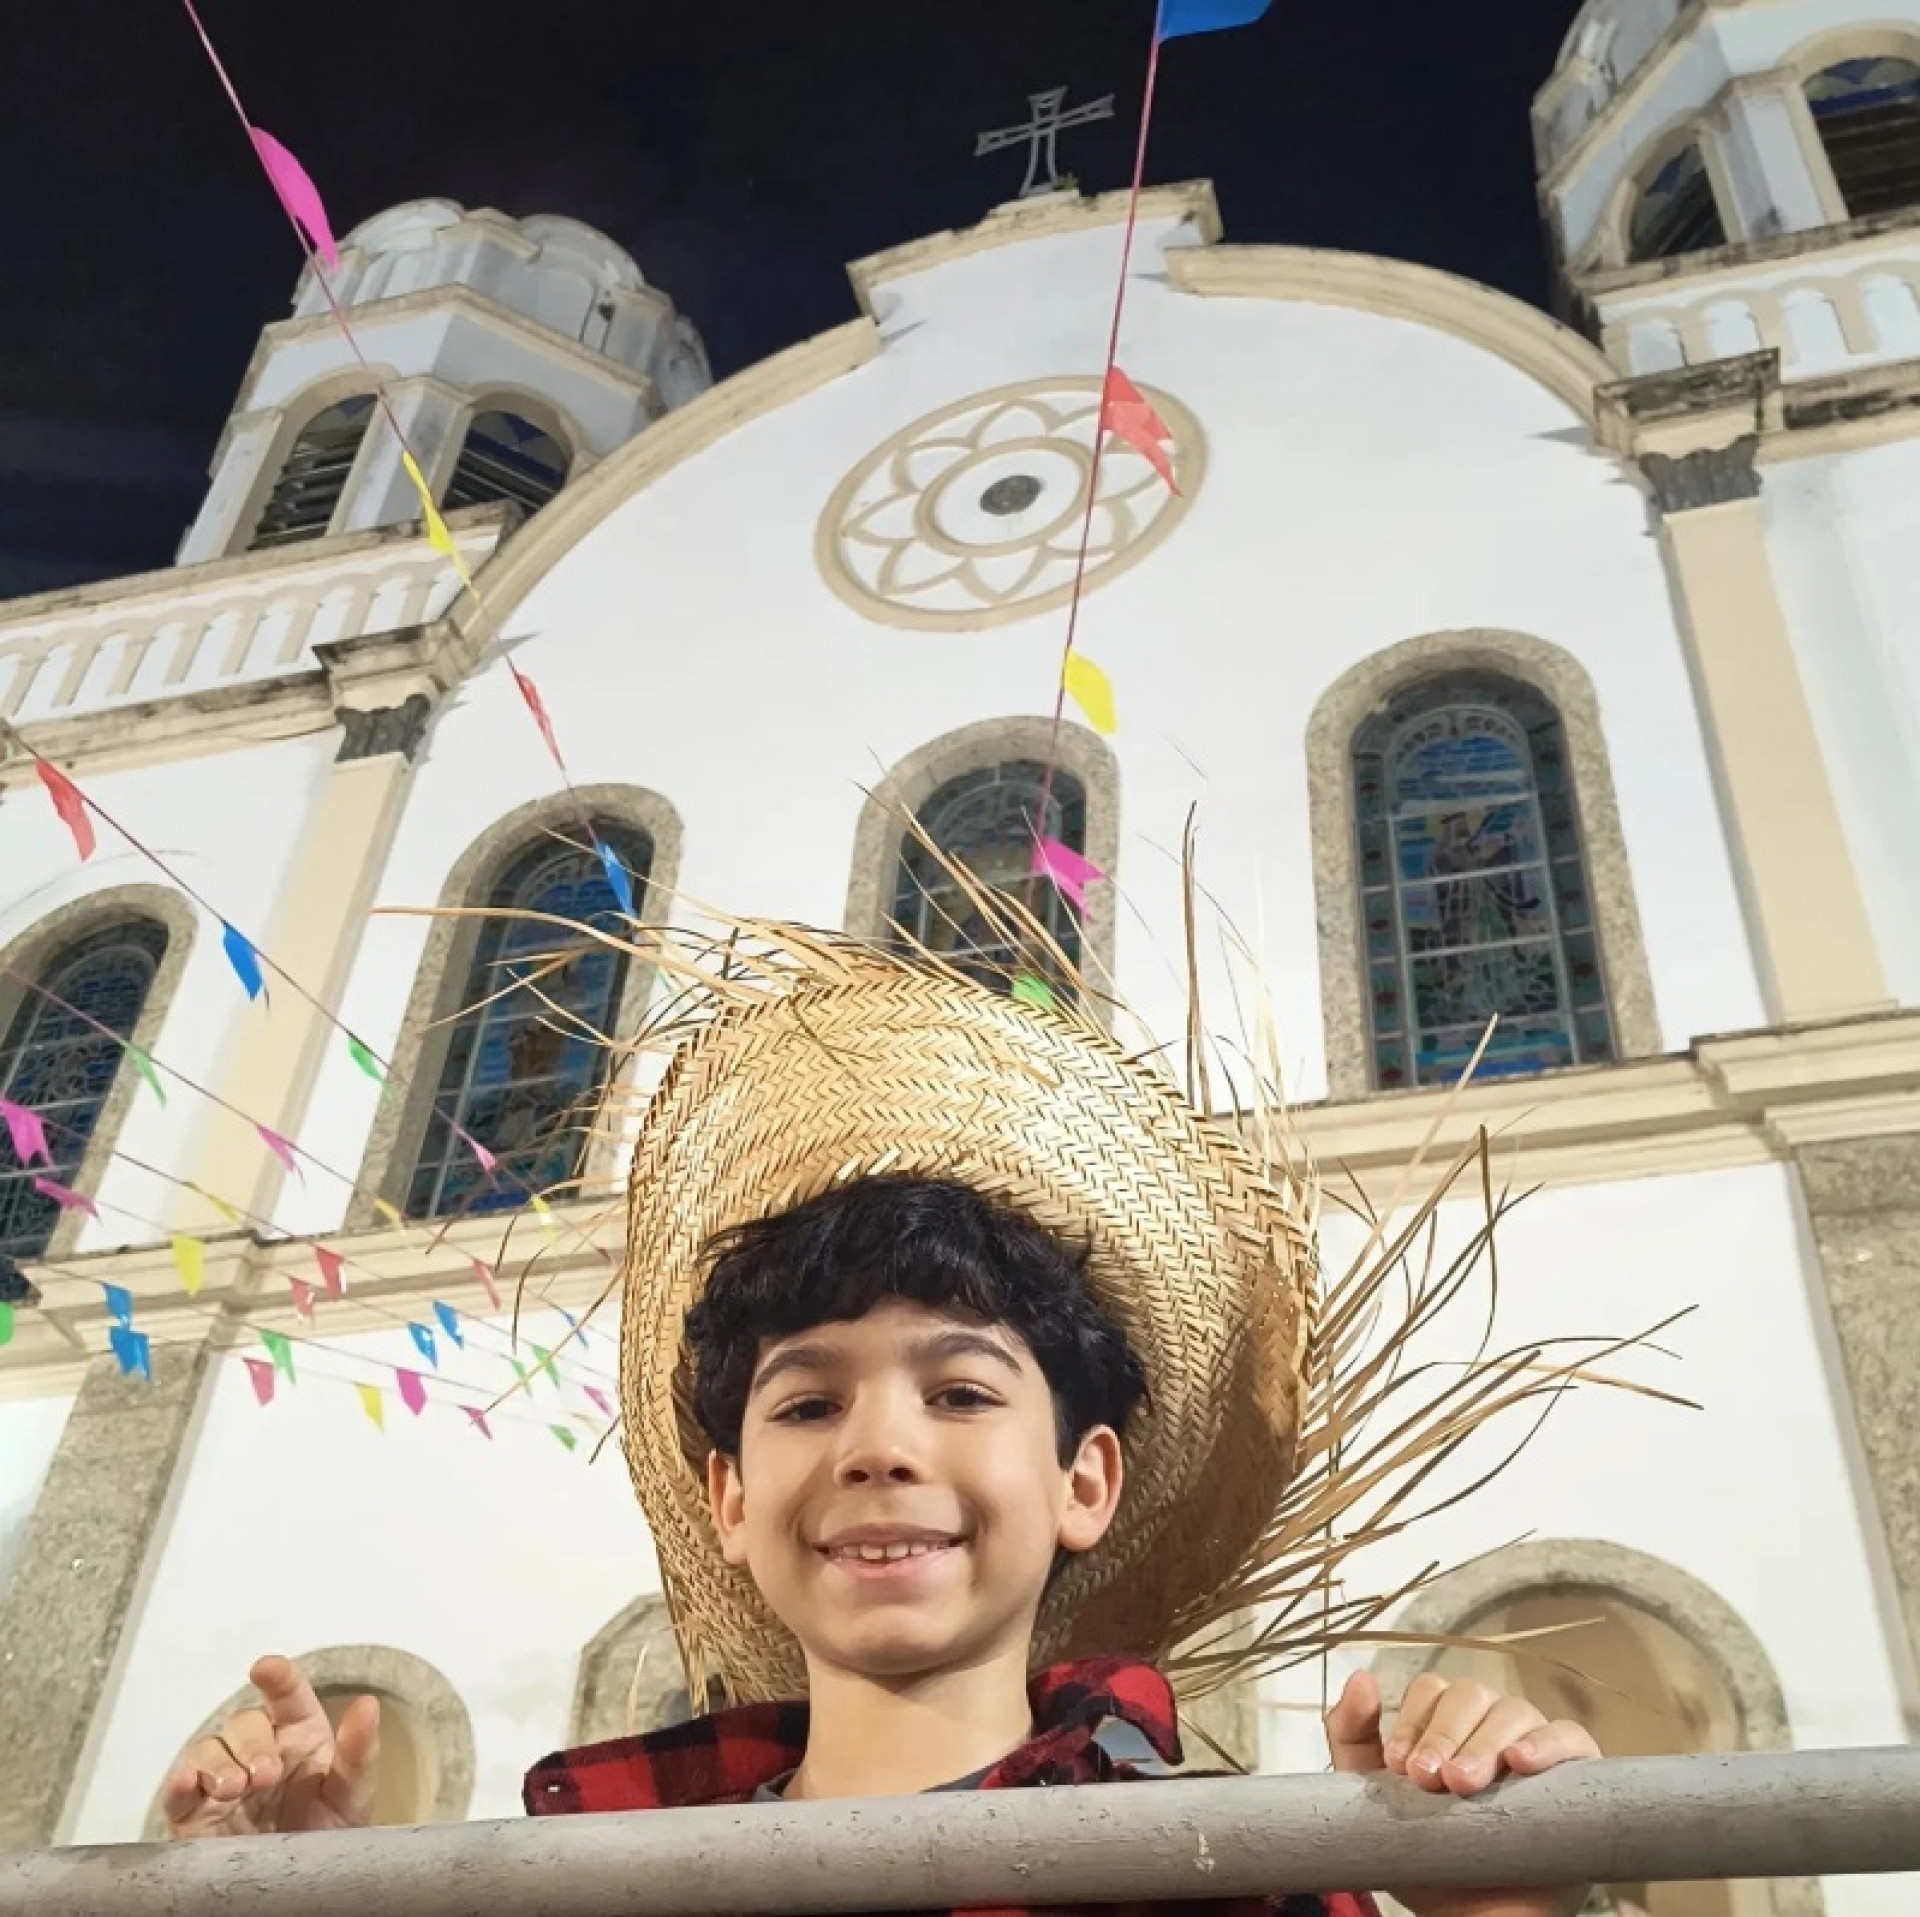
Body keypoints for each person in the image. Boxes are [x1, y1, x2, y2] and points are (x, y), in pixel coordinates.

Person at [165, 910, 1607, 1917]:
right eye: (806, 1401)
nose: (878, 1444)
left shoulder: (1236, 1877)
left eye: (964, 1387)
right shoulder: (592, 1879)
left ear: (1085, 1477)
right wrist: (279, 1899)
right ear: (728, 1497)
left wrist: (1504, 1912)